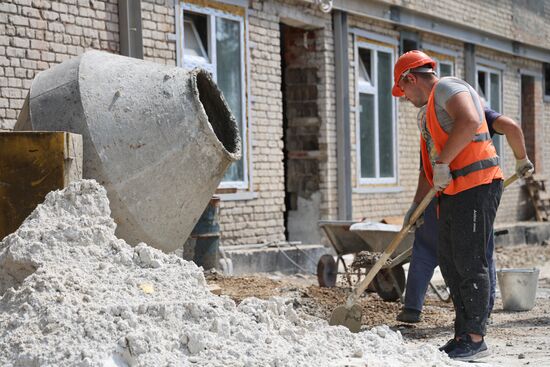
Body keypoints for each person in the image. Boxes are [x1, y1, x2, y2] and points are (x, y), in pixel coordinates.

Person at [391, 50, 506, 361]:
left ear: (410, 79)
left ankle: (476, 339)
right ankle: (461, 334)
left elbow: (469, 120)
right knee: (450, 261)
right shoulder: (429, 114)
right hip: (454, 192)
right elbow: (427, 171)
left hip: (477, 185)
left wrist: (444, 162)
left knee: (470, 261)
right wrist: (415, 208)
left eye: (402, 91)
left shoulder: (447, 88)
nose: (403, 97)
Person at [397, 108, 534, 324]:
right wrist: (521, 158)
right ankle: (482, 312)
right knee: (480, 252)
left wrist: (417, 205)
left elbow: (426, 171)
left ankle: (413, 307)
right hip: (473, 193)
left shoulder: (433, 119)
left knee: (425, 249)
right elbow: (511, 127)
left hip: (441, 195)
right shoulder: (476, 114)